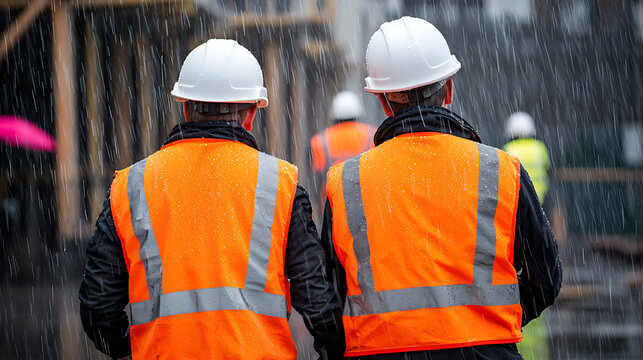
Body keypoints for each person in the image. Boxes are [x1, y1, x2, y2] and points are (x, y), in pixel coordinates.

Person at [78, 39, 344, 360]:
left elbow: (98, 307)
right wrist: (334, 347)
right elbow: (317, 301)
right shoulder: (279, 183)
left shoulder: (131, 185)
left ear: (186, 107)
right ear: (250, 115)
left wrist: (132, 348)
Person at [321, 17, 562, 359]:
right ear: (448, 91)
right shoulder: (500, 170)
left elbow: (328, 298)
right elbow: (546, 278)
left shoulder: (345, 182)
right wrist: (487, 326)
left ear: (383, 102)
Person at [503, 112, 551, 360]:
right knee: (540, 255)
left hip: (516, 210)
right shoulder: (540, 148)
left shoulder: (508, 149)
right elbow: (548, 174)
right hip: (538, 206)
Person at [309, 91, 376, 215]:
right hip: (366, 206)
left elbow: (317, 179)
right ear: (358, 114)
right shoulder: (372, 135)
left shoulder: (320, 140)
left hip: (333, 206)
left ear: (334, 116)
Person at [504, 112, 550, 203]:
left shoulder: (508, 149)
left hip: (518, 199)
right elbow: (548, 169)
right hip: (540, 199)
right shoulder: (540, 148)